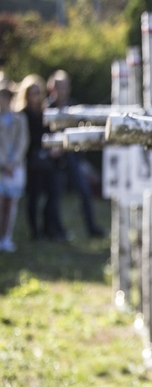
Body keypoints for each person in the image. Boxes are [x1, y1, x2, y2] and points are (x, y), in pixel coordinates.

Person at [47, 70, 104, 238]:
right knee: (55, 196)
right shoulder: (47, 107)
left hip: (72, 157)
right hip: (54, 160)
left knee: (85, 192)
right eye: (59, 86)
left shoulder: (74, 106)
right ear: (52, 88)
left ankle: (91, 227)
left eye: (65, 86)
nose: (62, 90)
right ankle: (55, 230)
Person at [17, 74, 67, 241]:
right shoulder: (22, 114)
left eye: (38, 92)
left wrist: (54, 147)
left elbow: (51, 133)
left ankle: (48, 229)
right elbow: (25, 139)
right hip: (32, 161)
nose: (36, 96)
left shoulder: (45, 112)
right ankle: (35, 232)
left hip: (48, 160)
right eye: (32, 92)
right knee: (34, 197)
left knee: (52, 194)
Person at [0, 81, 29, 252]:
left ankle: (6, 237)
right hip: (2, 168)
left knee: (11, 203)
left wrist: (14, 162)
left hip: (15, 167)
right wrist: (3, 163)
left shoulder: (19, 118)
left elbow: (22, 142)